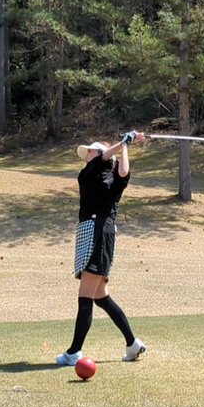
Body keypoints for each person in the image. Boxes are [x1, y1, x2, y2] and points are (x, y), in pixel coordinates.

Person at [56, 130, 147, 366]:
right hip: (92, 233)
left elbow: (123, 171)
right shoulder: (87, 173)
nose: (87, 155)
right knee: (100, 297)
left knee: (85, 297)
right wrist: (123, 142)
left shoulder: (113, 177)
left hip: (100, 234)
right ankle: (132, 343)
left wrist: (125, 145)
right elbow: (106, 158)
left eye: (91, 151)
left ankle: (74, 352)